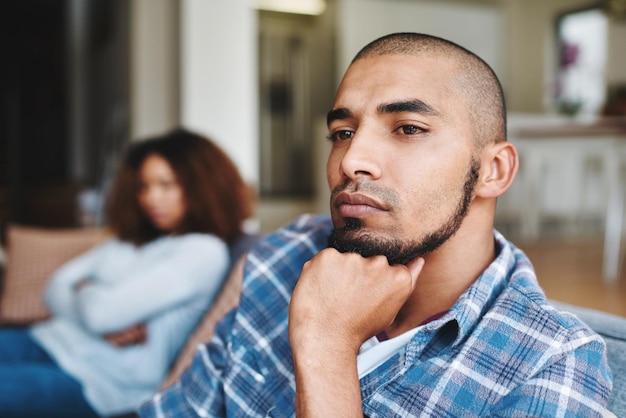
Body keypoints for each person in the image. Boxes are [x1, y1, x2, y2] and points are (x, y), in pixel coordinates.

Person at [139, 33, 613, 417]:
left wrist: (326, 345)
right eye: (342, 133)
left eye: (407, 128)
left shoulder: (552, 364)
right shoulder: (283, 253)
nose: (353, 160)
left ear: (494, 171)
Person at [0, 128, 252, 417]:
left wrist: (83, 288)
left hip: (97, 380)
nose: (151, 199)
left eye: (166, 185)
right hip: (46, 340)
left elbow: (101, 315)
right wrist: (93, 303)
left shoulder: (202, 252)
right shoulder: (129, 241)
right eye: (143, 186)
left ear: (203, 187)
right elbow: (54, 288)